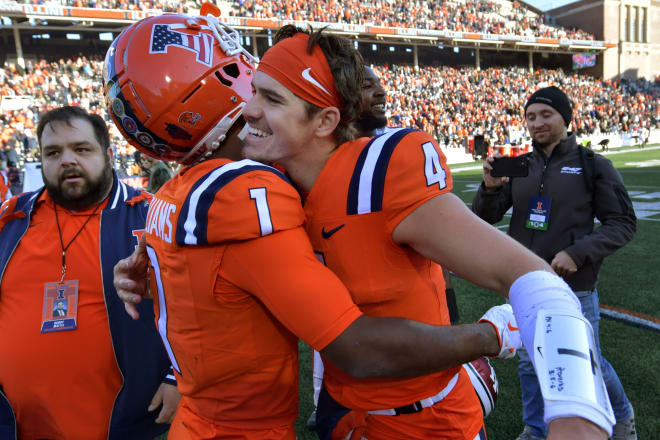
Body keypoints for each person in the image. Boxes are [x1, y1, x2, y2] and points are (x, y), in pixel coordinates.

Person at [107, 14, 518, 440]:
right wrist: (490, 336)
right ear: (207, 87)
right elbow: (355, 347)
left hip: (206, 417)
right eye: (234, 62)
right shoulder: (244, 192)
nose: (247, 70)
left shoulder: (182, 191)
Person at [240, 27, 615, 440]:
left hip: (429, 422)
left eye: (271, 99)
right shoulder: (269, 186)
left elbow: (536, 280)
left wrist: (577, 412)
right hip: (347, 414)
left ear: (326, 120)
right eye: (255, 92)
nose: (249, 109)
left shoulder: (377, 176)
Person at [0, 106, 179, 439]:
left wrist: (176, 377)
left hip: (122, 422)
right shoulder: (10, 221)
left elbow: (201, 306)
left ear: (109, 154)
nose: (67, 160)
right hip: (18, 424)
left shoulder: (151, 217)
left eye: (81, 149)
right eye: (53, 152)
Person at [471, 86, 637, 440]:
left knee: (587, 361)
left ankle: (622, 417)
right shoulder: (520, 164)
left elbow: (623, 223)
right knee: (531, 360)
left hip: (573, 286)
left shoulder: (593, 165)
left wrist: (578, 253)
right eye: (530, 116)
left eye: (545, 114)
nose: (537, 123)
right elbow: (486, 216)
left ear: (565, 117)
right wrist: (488, 188)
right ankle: (535, 428)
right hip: (525, 282)